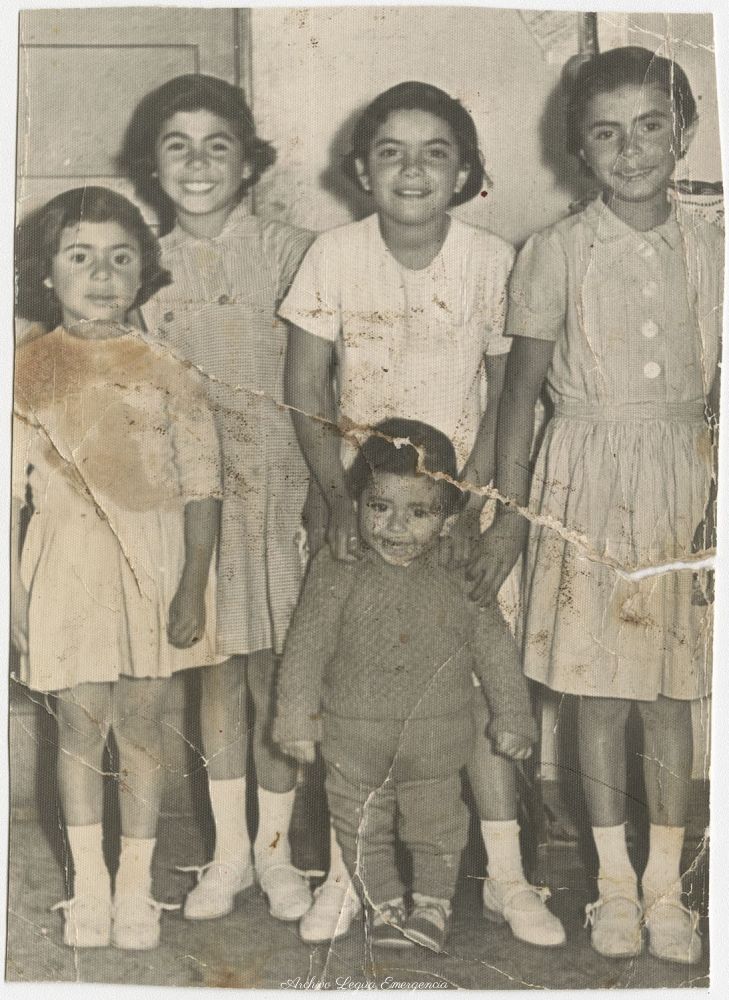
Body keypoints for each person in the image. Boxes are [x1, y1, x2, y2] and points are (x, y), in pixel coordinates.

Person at [280, 81, 564, 947]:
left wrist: (481, 506)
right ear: (361, 168)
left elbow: (508, 396)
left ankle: (506, 878)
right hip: (364, 512)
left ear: (466, 170)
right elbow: (305, 387)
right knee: (351, 686)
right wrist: (338, 499)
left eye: (435, 152)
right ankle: (347, 879)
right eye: (391, 152)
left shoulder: (489, 260)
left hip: (457, 512)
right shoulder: (333, 254)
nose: (412, 170)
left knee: (473, 690)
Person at [469, 47, 722, 965]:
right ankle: (613, 885)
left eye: (650, 126)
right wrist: (508, 515)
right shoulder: (555, 251)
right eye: (606, 134)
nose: (631, 150)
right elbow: (517, 400)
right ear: (577, 148)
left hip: (682, 479)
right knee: (600, 693)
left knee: (671, 692)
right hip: (585, 482)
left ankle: (665, 889)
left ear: (682, 133)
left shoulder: (713, 246)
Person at [119, 74, 315, 923]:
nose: (197, 163)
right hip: (192, 505)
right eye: (178, 145)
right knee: (216, 677)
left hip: (280, 490)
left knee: (278, 677)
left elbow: (325, 378)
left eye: (217, 145)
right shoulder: (141, 264)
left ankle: (277, 855)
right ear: (152, 164)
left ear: (248, 162)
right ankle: (230, 855)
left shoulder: (292, 252)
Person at [11, 187, 222, 950]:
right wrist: (12, 597)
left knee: (140, 726)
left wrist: (192, 583)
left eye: (120, 257)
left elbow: (203, 487)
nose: (101, 274)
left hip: (151, 566)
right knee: (77, 726)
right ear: (47, 273)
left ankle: (135, 887)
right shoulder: (26, 369)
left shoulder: (171, 370)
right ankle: (90, 890)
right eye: (80, 257)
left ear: (143, 272)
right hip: (65, 565)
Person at [273, 420, 538, 954]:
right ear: (357, 503)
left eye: (419, 513)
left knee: (438, 825)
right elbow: (306, 646)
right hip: (353, 739)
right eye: (380, 507)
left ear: (448, 517)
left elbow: (494, 647)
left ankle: (434, 904)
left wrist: (513, 716)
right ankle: (383, 903)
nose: (396, 527)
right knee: (359, 824)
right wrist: (296, 718)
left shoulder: (458, 569)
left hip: (436, 740)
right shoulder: (338, 565)